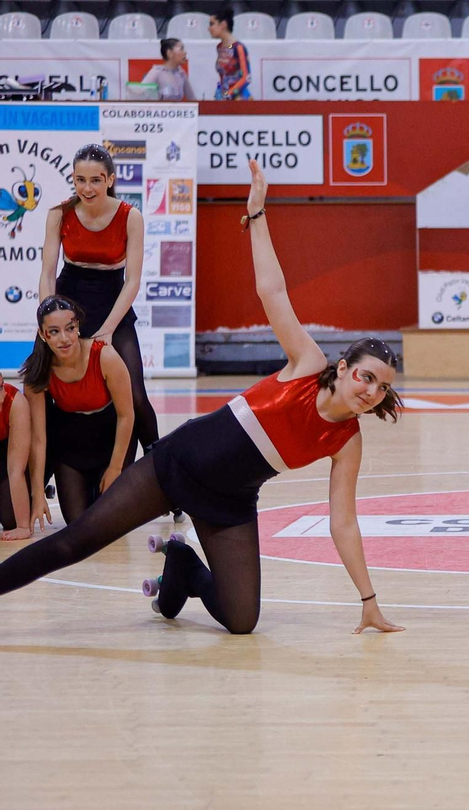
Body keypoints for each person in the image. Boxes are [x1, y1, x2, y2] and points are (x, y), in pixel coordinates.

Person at [0, 160, 406, 636]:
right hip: (178, 463)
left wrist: (369, 601)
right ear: (343, 369)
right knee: (75, 543)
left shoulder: (346, 441)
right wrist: (257, 216)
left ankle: (185, 567)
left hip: (231, 501)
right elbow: (272, 289)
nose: (370, 392)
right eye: (366, 377)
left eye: (381, 387)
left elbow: (344, 525)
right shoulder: (307, 365)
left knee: (241, 621)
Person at [39, 144, 160, 472]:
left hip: (113, 303)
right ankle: (46, 466)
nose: (87, 188)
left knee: (134, 393)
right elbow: (48, 273)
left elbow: (132, 281)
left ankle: (157, 467)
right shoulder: (58, 214)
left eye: (95, 180)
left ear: (110, 179)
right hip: (67, 304)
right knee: (46, 389)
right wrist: (46, 319)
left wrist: (108, 328)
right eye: (80, 180)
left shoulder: (130, 217)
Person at [21, 295, 135, 524]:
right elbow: (39, 438)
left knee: (107, 521)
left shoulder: (105, 356)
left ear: (78, 327)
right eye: (54, 332)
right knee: (78, 524)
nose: (64, 338)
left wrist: (115, 468)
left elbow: (126, 415)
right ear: (43, 335)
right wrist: (37, 494)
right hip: (70, 445)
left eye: (69, 328)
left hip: (110, 437)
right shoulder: (38, 373)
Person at [0, 381, 36, 541]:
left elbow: (16, 469)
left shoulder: (15, 402)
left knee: (10, 519)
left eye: (0, 387)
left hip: (8, 454)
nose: (1, 398)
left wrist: (23, 527)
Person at [211, 7, 251, 98]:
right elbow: (223, 76)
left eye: (212, 24)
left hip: (238, 98)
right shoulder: (220, 47)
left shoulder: (238, 47)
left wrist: (229, 94)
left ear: (223, 25)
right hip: (223, 96)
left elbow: (246, 77)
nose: (209, 29)